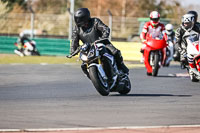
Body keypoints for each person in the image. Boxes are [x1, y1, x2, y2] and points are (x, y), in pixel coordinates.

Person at [67, 8, 129, 77]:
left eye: (80, 19)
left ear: (86, 18)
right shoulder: (77, 29)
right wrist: (72, 51)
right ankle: (93, 77)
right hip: (88, 49)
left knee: (115, 52)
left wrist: (104, 37)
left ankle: (121, 67)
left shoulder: (95, 21)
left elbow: (105, 28)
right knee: (84, 65)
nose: (79, 21)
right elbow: (74, 41)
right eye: (77, 19)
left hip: (102, 43)